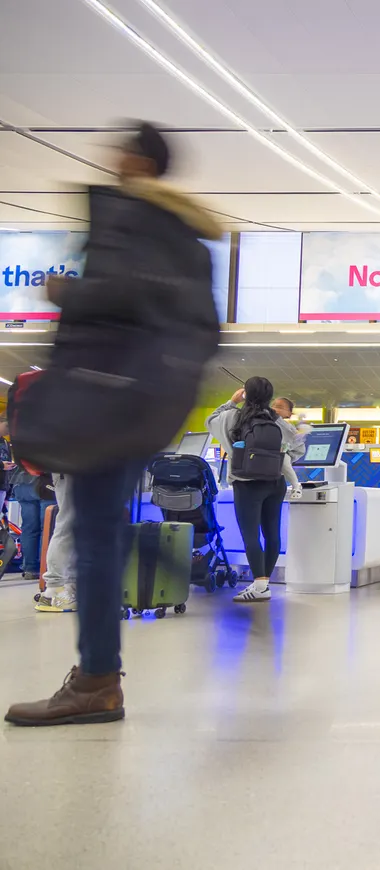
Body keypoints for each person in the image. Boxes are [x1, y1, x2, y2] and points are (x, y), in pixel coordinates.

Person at [6, 121, 221, 726]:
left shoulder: (134, 223)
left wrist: (68, 294)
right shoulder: (191, 242)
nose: (108, 159)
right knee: (102, 527)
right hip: (142, 406)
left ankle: (97, 680)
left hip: (104, 398)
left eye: (117, 150)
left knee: (96, 533)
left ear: (135, 160)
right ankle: (97, 675)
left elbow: (124, 298)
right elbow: (200, 328)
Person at [207, 378, 304, 602]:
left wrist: (231, 402)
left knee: (250, 535)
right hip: (275, 482)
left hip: (246, 482)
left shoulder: (232, 416)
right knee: (272, 533)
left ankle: (259, 587)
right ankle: (263, 584)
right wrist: (279, 461)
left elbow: (210, 420)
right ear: (271, 398)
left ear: (245, 395)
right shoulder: (276, 420)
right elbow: (298, 446)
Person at [34, 474, 76, 613]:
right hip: (71, 465)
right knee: (68, 523)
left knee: (75, 525)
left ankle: (70, 587)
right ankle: (54, 589)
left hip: (74, 464)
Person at [10, 462, 54, 582]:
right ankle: (46, 569)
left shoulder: (20, 442)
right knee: (47, 527)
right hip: (45, 482)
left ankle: (30, 568)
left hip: (21, 482)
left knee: (29, 528)